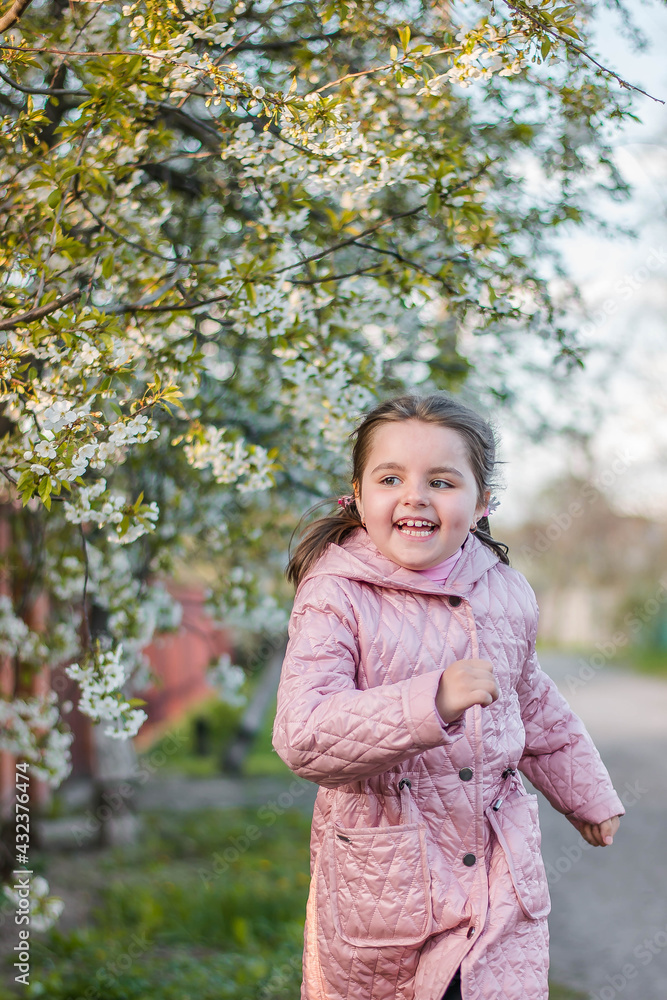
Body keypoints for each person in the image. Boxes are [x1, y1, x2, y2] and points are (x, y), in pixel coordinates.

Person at [272, 392, 624, 1000]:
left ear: (482, 504)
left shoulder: (505, 592)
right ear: (357, 496)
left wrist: (586, 792)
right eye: (391, 478)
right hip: (389, 885)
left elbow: (533, 701)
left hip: (495, 872)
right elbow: (303, 733)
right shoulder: (336, 596)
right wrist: (430, 700)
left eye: (441, 480)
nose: (415, 496)